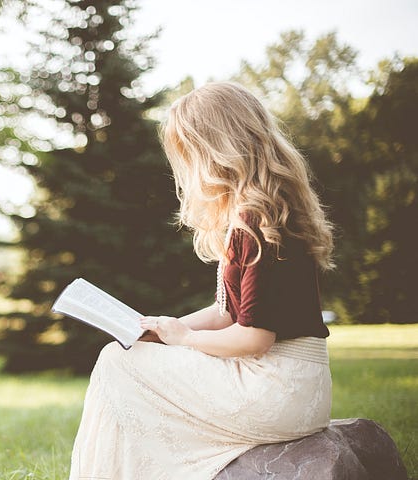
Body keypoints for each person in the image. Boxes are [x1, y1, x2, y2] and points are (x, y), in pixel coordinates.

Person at [68, 82, 336, 480]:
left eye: (188, 152)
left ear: (216, 149)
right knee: (126, 356)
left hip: (276, 387)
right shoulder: (269, 210)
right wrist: (159, 329)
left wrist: (184, 339)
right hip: (296, 386)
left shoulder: (254, 219)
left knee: (115, 363)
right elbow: (227, 312)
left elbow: (254, 337)